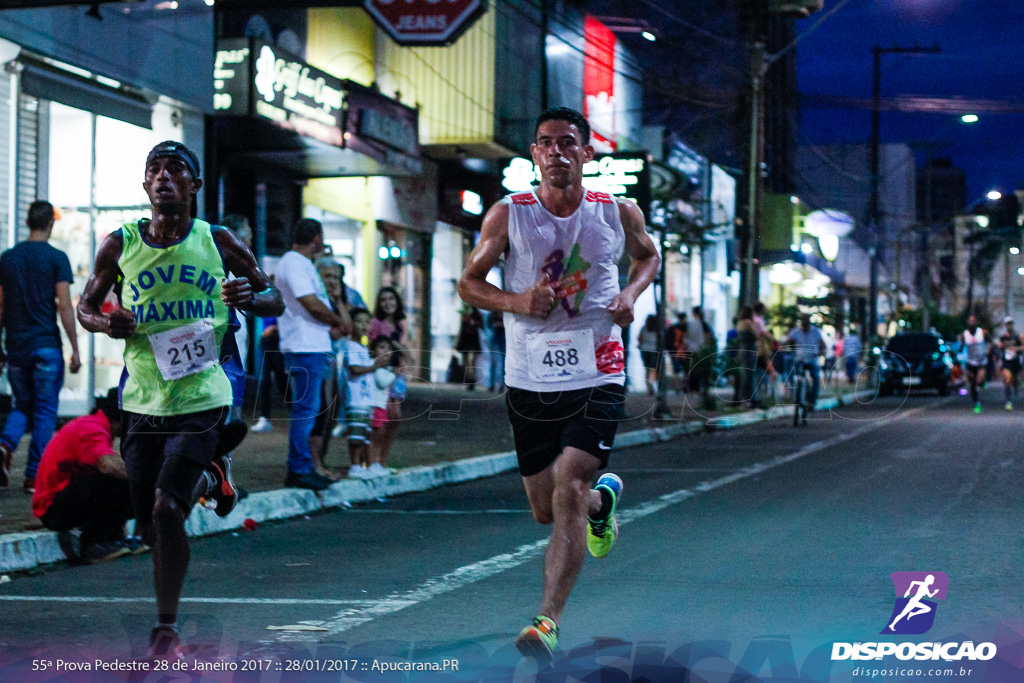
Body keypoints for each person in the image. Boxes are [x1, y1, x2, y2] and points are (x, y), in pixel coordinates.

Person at [458, 107, 659, 663]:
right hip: (530, 375)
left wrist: (629, 296)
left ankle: (546, 621)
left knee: (567, 484)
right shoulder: (507, 215)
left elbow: (649, 257)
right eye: (545, 143)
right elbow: (469, 283)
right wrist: (516, 301)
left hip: (598, 368)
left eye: (568, 143)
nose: (557, 152)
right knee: (547, 509)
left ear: (587, 154)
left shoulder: (616, 211)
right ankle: (602, 504)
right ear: (533, 155)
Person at [76, 140, 284, 660]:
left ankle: (165, 629)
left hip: (202, 392)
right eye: (155, 170)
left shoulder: (217, 241)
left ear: (193, 186)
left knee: (169, 508)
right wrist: (106, 321)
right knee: (148, 521)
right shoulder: (118, 244)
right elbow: (84, 307)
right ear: (145, 186)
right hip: (144, 398)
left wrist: (249, 298)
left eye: (177, 170)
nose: (164, 177)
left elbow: (273, 297)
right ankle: (213, 476)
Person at [0, 200, 82, 492]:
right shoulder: (57, 258)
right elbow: (64, 306)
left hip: (17, 347)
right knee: (46, 411)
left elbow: (0, 305)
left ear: (27, 222)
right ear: (51, 223)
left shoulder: (8, 258)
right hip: (46, 345)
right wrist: (74, 346)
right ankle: (34, 475)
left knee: (21, 405)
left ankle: (4, 445)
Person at [275, 219, 351, 490]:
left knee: (311, 409)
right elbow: (309, 301)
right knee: (305, 409)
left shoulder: (300, 263)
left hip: (311, 346)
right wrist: (336, 321)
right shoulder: (294, 262)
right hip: (303, 346)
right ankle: (298, 467)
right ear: (316, 238)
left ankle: (305, 466)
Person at [32, 390, 138, 563]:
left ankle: (113, 537)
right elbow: (107, 465)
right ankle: (93, 545)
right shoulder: (91, 429)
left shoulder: (97, 425)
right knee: (116, 477)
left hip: (63, 500)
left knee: (126, 479)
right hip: (52, 508)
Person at [367, 286, 410, 470]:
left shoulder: (400, 325)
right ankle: (374, 459)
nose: (388, 303)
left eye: (391, 299)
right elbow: (372, 347)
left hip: (397, 373)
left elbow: (405, 351)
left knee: (395, 418)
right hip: (383, 374)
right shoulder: (376, 323)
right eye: (383, 299)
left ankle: (382, 458)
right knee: (382, 418)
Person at [343, 308, 387, 479]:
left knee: (365, 434)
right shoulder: (351, 346)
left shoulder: (362, 346)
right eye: (359, 321)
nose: (364, 325)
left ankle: (364, 464)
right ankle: (354, 465)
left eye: (367, 322)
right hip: (356, 399)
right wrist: (374, 366)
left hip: (366, 399)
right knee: (356, 434)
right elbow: (354, 369)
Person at [783, 314, 827, 408]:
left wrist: (822, 352)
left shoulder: (816, 332)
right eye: (803, 323)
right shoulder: (795, 332)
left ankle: (812, 400)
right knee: (792, 374)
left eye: (806, 324)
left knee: (815, 377)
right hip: (799, 359)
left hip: (812, 359)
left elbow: (822, 345)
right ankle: (794, 394)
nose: (804, 326)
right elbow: (789, 342)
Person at [960, 315, 989, 413]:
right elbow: (961, 346)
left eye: (973, 321)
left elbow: (991, 342)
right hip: (971, 361)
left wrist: (987, 350)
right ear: (968, 323)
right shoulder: (964, 335)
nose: (971, 322)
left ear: (975, 322)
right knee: (972, 383)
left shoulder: (982, 332)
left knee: (979, 380)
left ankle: (982, 382)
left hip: (981, 361)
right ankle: (977, 403)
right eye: (970, 321)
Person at [456, 306, 484, 389]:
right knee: (466, 362)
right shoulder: (464, 314)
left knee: (471, 361)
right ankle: (469, 378)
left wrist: (475, 323)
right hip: (465, 339)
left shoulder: (476, 314)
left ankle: (471, 380)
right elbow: (461, 328)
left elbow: (481, 326)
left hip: (472, 339)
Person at [998, 316, 1023, 411]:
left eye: (1011, 324)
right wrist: (1001, 346)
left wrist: (1016, 348)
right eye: (1007, 324)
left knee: (1015, 381)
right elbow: (999, 347)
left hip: (1016, 362)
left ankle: (1016, 388)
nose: (1009, 326)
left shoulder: (1018, 336)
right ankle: (1008, 401)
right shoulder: (1003, 337)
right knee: (1008, 380)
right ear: (1005, 325)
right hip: (1006, 363)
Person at [637, 314, 661, 395]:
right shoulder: (657, 329)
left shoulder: (644, 328)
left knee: (647, 369)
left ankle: (649, 387)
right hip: (654, 350)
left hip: (644, 349)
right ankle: (653, 385)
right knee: (653, 369)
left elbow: (639, 338)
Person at [664, 312, 688, 391]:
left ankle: (677, 387)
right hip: (685, 351)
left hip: (675, 352)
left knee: (676, 371)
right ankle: (685, 386)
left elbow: (668, 340)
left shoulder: (673, 327)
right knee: (686, 370)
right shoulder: (687, 327)